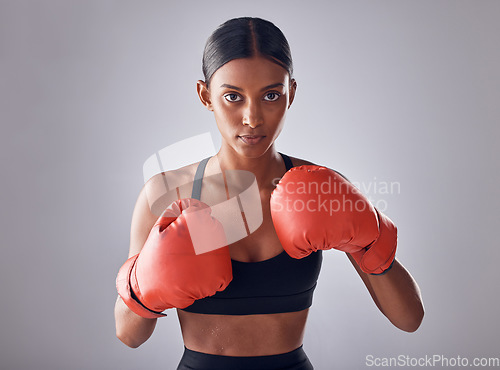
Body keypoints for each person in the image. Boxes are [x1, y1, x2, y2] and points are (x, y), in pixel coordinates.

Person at [114, 17, 424, 370]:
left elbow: (409, 319)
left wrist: (369, 240)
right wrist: (146, 290)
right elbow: (129, 334)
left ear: (291, 93)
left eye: (271, 95)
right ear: (206, 96)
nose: (252, 117)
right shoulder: (167, 192)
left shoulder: (322, 186)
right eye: (232, 96)